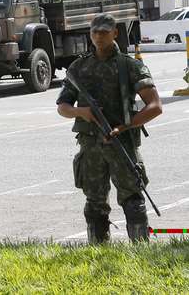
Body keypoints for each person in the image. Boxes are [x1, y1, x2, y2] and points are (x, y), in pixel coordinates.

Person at [57, 13, 162, 244]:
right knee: (94, 202)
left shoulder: (130, 66)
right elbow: (62, 106)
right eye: (95, 32)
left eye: (104, 31)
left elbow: (154, 106)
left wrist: (126, 126)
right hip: (91, 146)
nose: (99, 37)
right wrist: (81, 112)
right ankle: (99, 249)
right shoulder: (79, 68)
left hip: (121, 143)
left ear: (115, 33)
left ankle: (140, 250)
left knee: (133, 199)